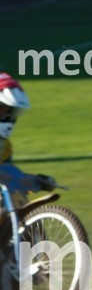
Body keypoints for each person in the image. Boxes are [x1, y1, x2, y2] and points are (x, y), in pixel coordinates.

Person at [0, 72, 55, 208]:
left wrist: (36, 180)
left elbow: (9, 174)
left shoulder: (5, 146)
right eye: (3, 110)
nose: (9, 117)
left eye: (12, 111)